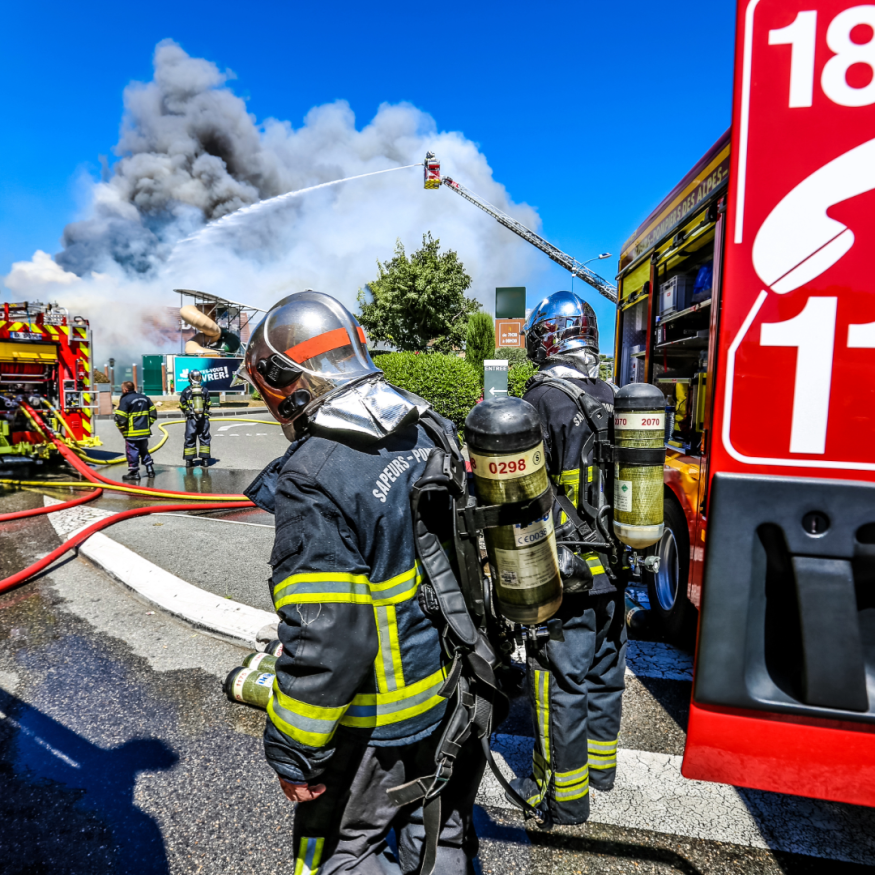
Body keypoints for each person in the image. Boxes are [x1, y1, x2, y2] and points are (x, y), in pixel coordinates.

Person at [240, 291, 485, 875]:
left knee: (346, 855)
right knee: (441, 838)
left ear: (283, 380)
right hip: (458, 693)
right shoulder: (428, 426)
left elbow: (332, 637)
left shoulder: (312, 474)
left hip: (375, 729)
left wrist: (293, 748)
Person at [512, 290, 627, 826]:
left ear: (549, 338)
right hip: (618, 567)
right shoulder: (613, 394)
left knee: (559, 682)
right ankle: (600, 774)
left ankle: (560, 796)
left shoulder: (541, 399)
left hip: (569, 572)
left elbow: (526, 493)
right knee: (605, 673)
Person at [114, 381, 157, 481]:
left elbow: (121, 419)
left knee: (132, 452)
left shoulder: (125, 399)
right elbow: (153, 414)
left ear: (125, 390)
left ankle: (134, 473)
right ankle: (150, 469)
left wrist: (122, 429)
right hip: (144, 432)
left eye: (122, 389)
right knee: (144, 450)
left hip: (131, 433)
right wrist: (147, 424)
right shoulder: (145, 398)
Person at [179, 370, 211, 467]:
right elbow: (208, 403)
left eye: (198, 377)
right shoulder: (204, 390)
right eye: (196, 377)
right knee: (204, 437)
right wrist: (205, 411)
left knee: (190, 438)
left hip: (191, 419)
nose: (197, 379)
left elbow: (182, 404)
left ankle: (189, 461)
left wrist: (187, 411)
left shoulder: (186, 391)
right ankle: (205, 460)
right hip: (203, 418)